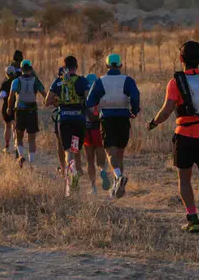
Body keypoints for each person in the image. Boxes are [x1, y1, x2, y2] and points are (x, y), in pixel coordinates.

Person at [147, 41, 199, 233]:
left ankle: (193, 219)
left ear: (180, 59)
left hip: (184, 135)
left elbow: (167, 110)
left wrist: (153, 122)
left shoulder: (175, 82)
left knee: (184, 180)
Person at [86, 54, 140, 199]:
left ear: (107, 66)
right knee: (119, 154)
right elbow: (135, 96)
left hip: (107, 119)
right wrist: (134, 111)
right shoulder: (128, 80)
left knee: (110, 153)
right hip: (123, 119)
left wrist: (99, 108)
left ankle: (118, 176)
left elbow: (89, 101)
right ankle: (117, 189)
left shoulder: (100, 81)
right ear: (121, 66)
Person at [45, 56, 91, 196]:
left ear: (63, 68)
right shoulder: (82, 81)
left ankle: (71, 178)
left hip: (64, 119)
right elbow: (89, 100)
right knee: (75, 148)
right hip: (79, 120)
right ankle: (76, 172)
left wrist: (59, 102)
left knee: (68, 152)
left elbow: (47, 101)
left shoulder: (58, 82)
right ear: (76, 67)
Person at [8, 60, 46, 168]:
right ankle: (32, 164)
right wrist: (50, 102)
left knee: (19, 136)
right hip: (32, 111)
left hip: (20, 111)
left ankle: (20, 155)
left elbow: (11, 97)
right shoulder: (36, 81)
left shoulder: (16, 81)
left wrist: (9, 108)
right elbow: (44, 94)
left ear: (21, 69)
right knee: (32, 139)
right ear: (31, 68)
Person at [83, 73, 111, 196]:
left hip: (86, 130)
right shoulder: (101, 95)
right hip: (98, 130)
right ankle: (102, 170)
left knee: (89, 160)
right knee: (101, 159)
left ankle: (93, 187)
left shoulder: (83, 96)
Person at [0, 66, 18, 154]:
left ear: (6, 73)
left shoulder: (5, 83)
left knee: (7, 126)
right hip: (16, 105)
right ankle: (17, 147)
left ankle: (7, 146)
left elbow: (3, 94)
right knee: (15, 127)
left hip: (7, 106)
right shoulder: (17, 81)